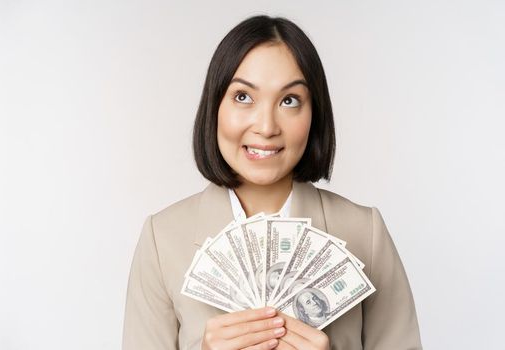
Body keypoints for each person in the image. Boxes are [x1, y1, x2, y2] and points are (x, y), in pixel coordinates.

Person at [121, 15, 421, 350]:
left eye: (289, 100)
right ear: (215, 106)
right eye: (243, 97)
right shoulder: (162, 240)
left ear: (314, 114)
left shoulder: (366, 233)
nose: (266, 126)